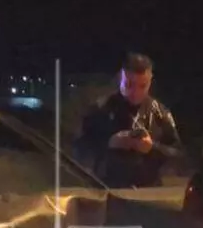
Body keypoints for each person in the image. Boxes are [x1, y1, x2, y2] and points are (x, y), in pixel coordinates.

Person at [75, 53, 182, 187]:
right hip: (108, 187)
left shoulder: (160, 112)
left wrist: (152, 147)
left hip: (149, 191)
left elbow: (178, 155)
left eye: (143, 86)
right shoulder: (100, 109)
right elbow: (79, 149)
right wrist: (109, 142)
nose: (135, 92)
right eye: (129, 85)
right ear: (121, 77)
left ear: (150, 81)